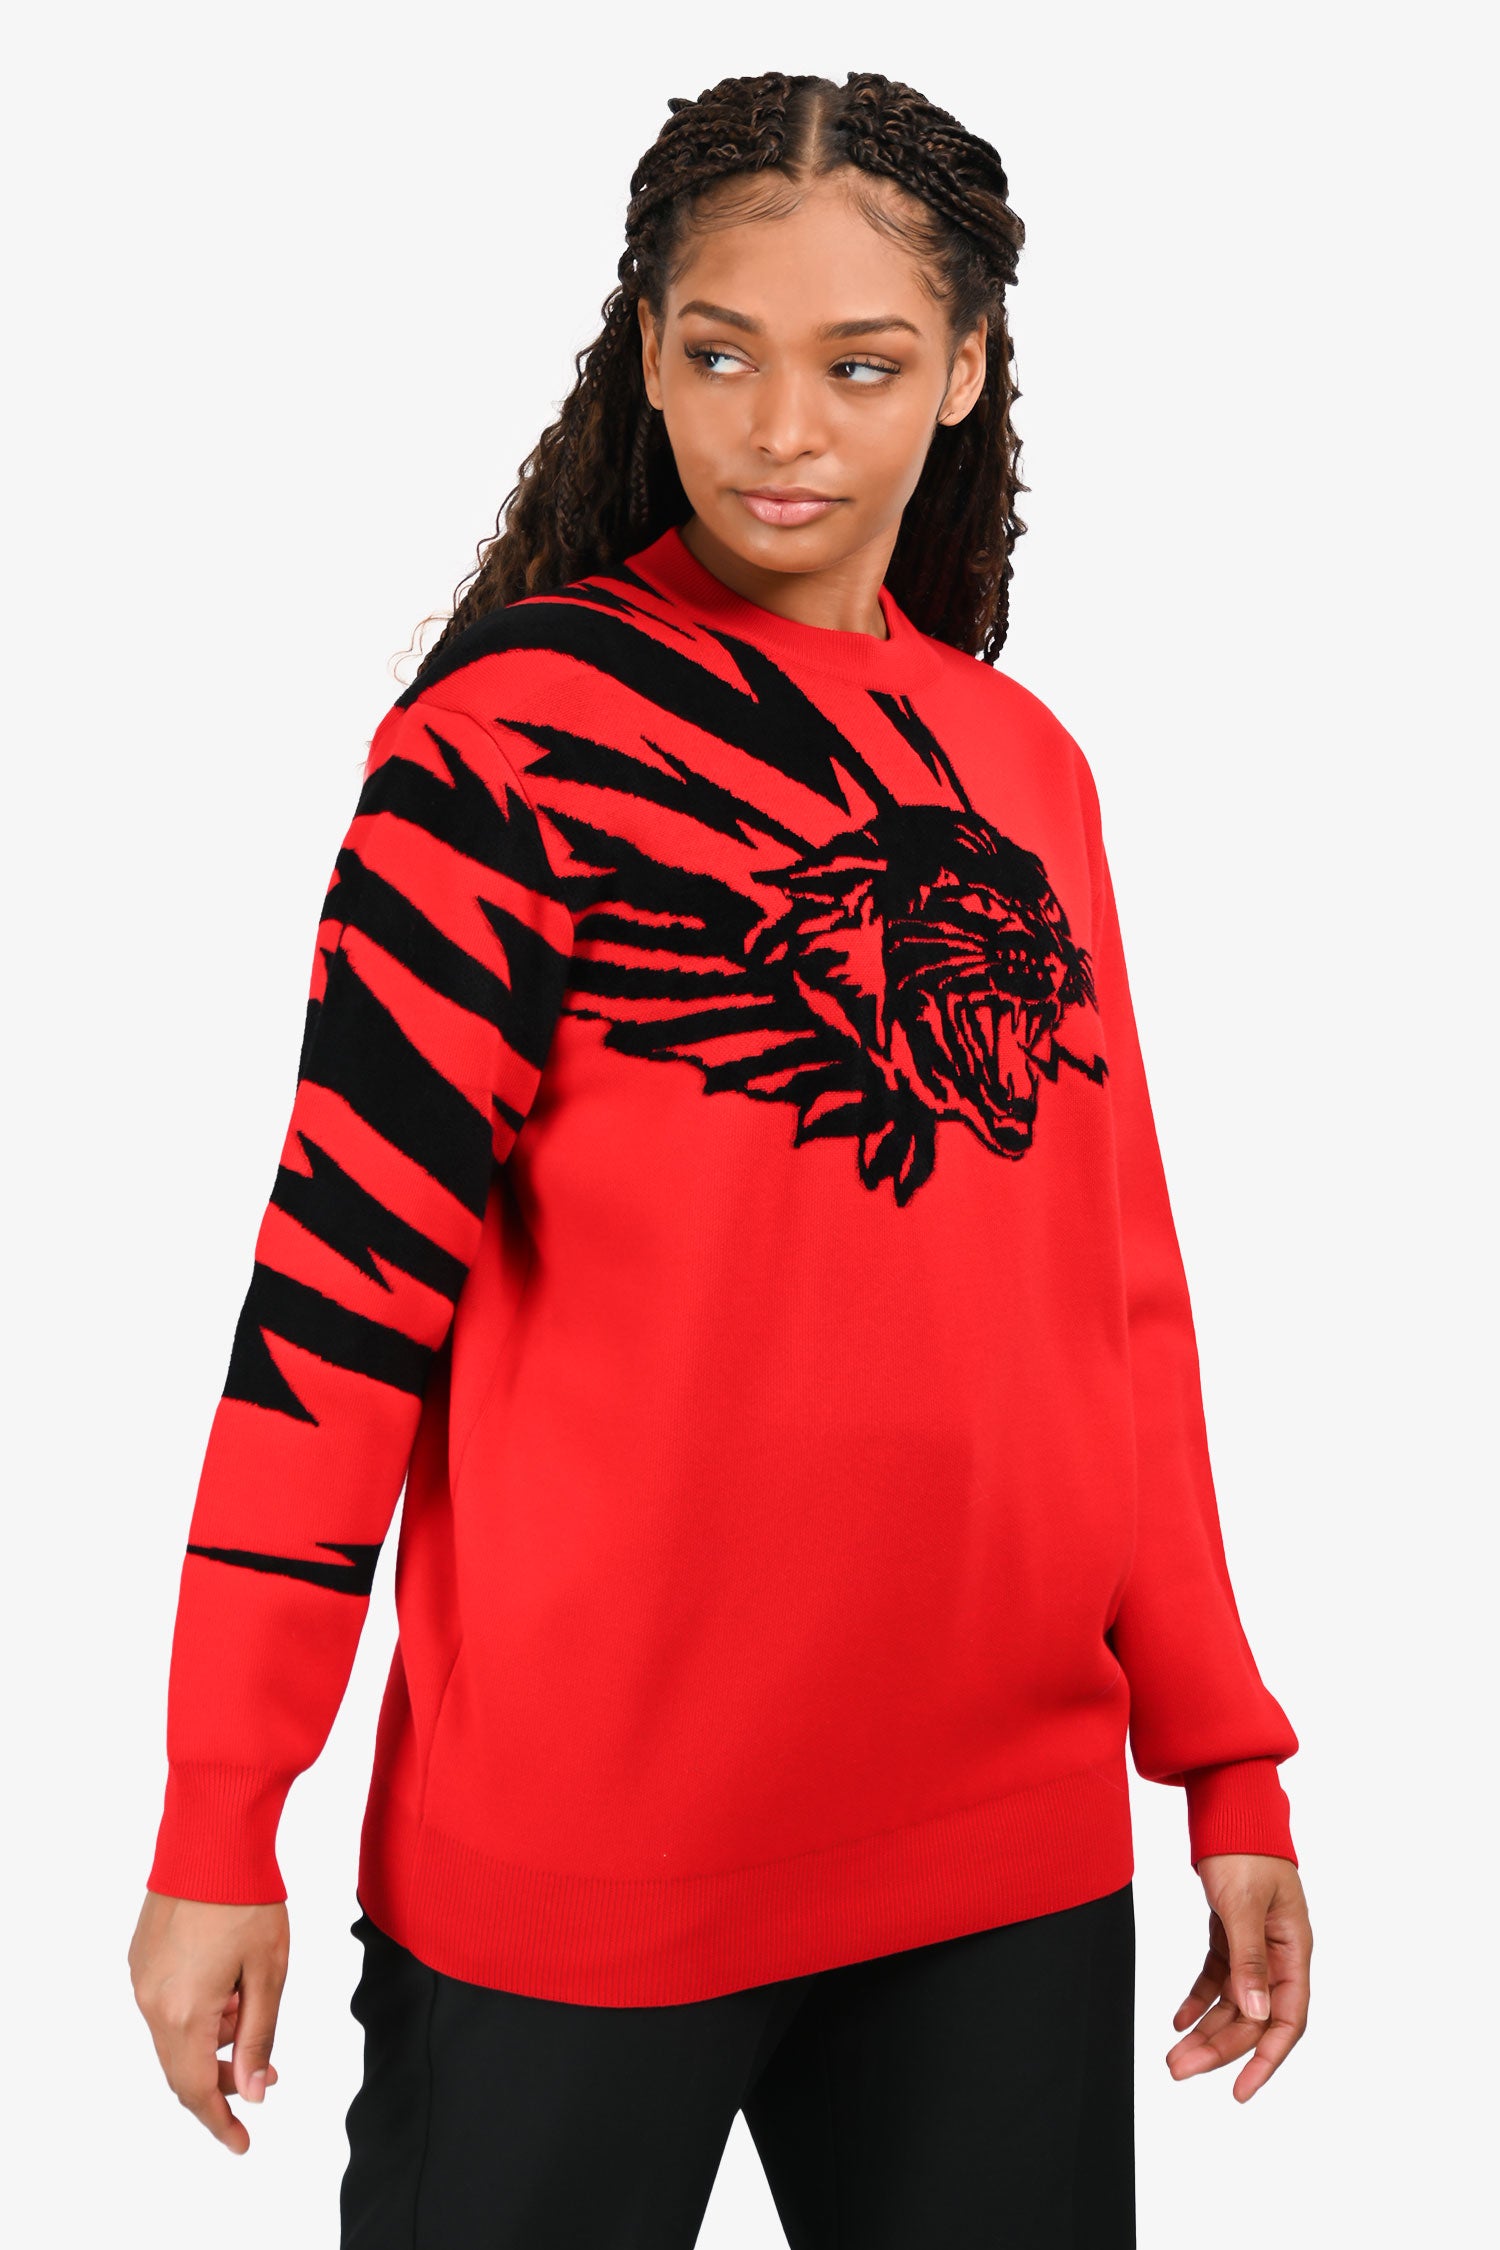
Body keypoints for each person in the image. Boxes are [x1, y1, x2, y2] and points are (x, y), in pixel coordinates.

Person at [129, 68, 1312, 2246]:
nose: (783, 428)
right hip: (584, 1854)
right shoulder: (504, 745)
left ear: (964, 371)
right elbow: (339, 1301)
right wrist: (224, 1814)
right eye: (722, 352)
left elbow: (1117, 1301)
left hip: (1005, 1845)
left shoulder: (1027, 770)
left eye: (860, 364)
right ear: (650, 355)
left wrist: (1223, 1756)